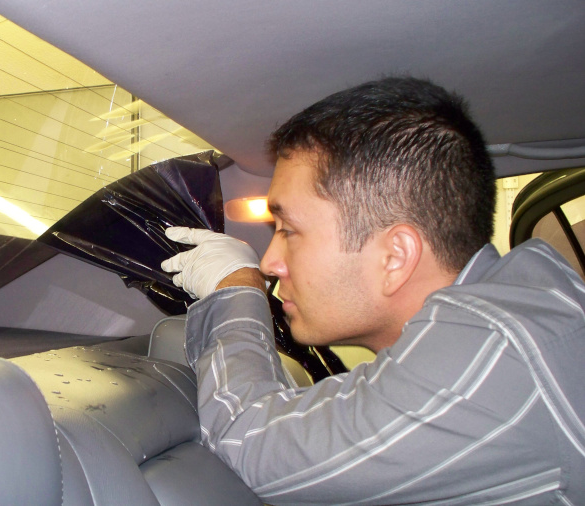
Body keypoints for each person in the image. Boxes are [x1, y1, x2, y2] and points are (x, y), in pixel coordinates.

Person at [161, 77, 585, 504]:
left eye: (289, 230)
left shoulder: (497, 348)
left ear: (395, 257)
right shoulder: (510, 314)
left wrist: (235, 287)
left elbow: (248, 441)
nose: (270, 263)